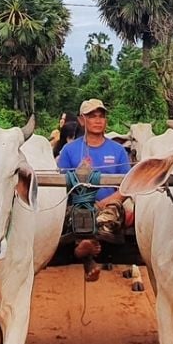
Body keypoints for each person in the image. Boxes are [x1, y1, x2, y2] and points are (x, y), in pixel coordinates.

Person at [57, 98, 130, 281]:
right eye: (92, 116)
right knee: (78, 216)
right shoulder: (69, 150)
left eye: (101, 116)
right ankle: (88, 247)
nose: (97, 120)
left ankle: (86, 249)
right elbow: (60, 186)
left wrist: (107, 201)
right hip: (79, 206)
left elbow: (128, 186)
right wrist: (85, 200)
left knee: (107, 217)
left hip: (110, 206)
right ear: (82, 120)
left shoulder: (118, 150)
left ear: (106, 120)